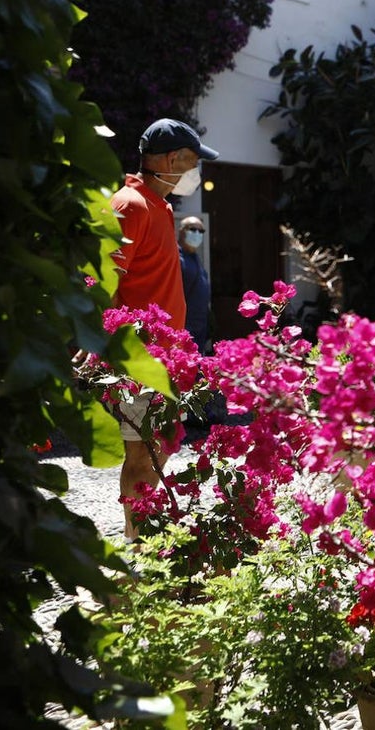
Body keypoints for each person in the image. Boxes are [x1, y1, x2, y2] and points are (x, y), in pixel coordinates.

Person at [110, 118, 219, 540]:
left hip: (164, 357)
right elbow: (101, 282)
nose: (196, 171)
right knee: (141, 454)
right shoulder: (129, 205)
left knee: (156, 451)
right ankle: (137, 543)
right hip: (139, 356)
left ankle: (146, 538)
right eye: (193, 161)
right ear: (173, 159)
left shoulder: (161, 206)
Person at [178, 216, 212, 355]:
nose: (197, 233)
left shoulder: (194, 258)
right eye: (192, 229)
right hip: (184, 328)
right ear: (181, 231)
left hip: (200, 329)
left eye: (201, 231)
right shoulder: (176, 257)